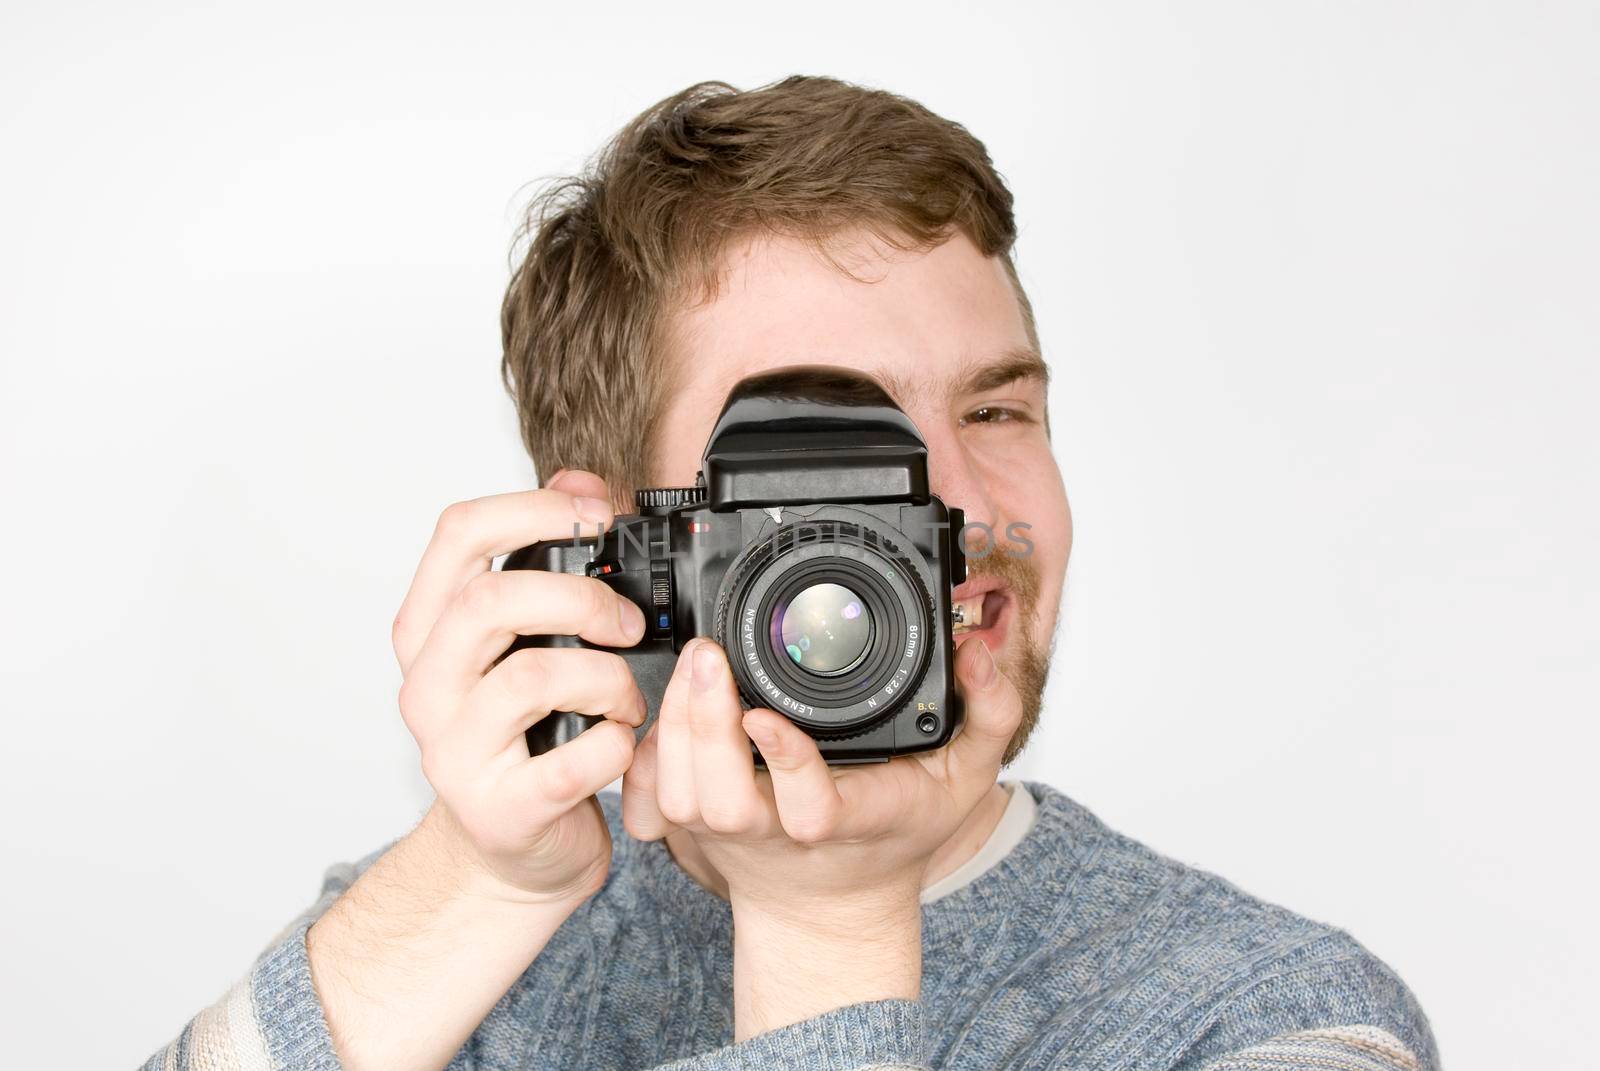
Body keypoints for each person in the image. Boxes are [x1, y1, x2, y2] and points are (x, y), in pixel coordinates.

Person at [144, 76, 1438, 1071]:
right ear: (620, 548)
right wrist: (480, 884)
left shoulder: (1269, 1016)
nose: (947, 509)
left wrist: (830, 925)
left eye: (995, 414)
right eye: (834, 446)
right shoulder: (467, 936)